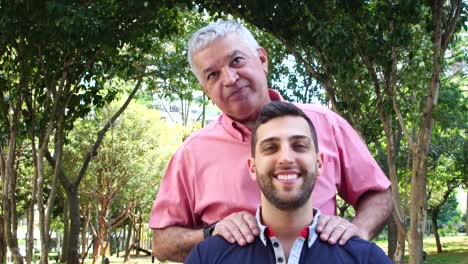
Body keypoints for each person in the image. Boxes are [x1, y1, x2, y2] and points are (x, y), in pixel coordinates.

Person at [149, 21, 393, 262]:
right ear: (206, 90)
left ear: (262, 60)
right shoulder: (192, 153)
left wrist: (356, 237)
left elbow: (379, 194)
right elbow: (162, 243)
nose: (230, 79)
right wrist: (212, 234)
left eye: (236, 61)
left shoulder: (325, 123)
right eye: (213, 74)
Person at [185, 101, 393, 264]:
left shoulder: (364, 257)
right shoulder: (209, 257)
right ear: (253, 168)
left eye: (299, 146)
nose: (286, 158)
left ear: (319, 163)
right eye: (270, 148)